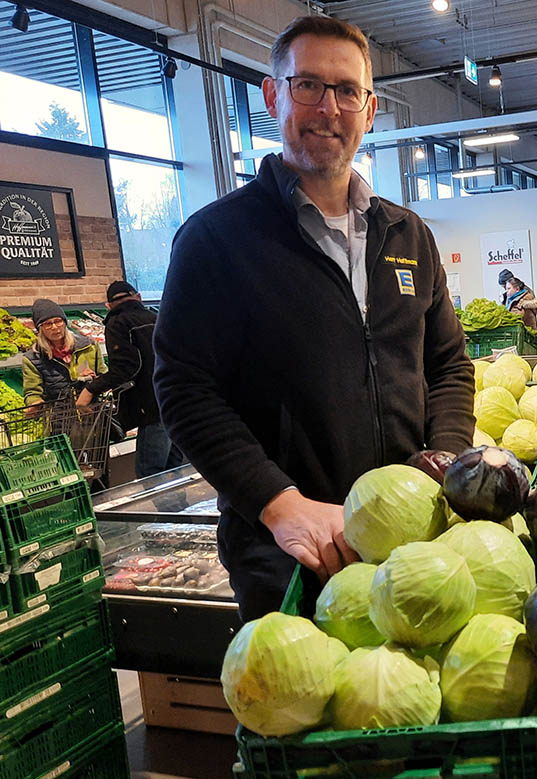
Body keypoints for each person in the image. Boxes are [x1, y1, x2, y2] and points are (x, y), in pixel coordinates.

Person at [153, 16, 474, 621]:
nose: (329, 107)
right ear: (273, 95)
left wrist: (444, 471)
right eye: (309, 86)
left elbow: (449, 364)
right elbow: (185, 389)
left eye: (347, 90)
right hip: (292, 554)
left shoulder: (408, 234)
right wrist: (279, 504)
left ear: (370, 108)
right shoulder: (217, 240)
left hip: (411, 539)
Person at [77, 280, 182, 479]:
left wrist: (90, 390)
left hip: (151, 409)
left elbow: (126, 367)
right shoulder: (157, 317)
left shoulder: (118, 324)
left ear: (108, 306)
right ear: (139, 297)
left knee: (150, 474)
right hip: (174, 403)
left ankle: (163, 511)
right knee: (173, 471)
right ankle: (180, 509)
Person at [22, 299, 105, 406]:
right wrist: (35, 403)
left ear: (65, 323)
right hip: (59, 417)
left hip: (91, 411)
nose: (54, 327)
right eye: (48, 324)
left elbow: (104, 375)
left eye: (58, 321)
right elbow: (32, 392)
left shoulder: (89, 346)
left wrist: (94, 380)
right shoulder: (33, 358)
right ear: (40, 328)